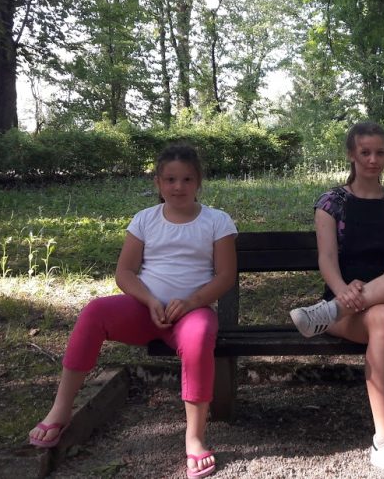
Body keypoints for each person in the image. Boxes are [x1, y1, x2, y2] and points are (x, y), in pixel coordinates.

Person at [28, 144, 237, 479]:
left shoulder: (217, 221)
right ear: (158, 182)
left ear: (199, 181)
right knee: (95, 311)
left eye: (187, 179)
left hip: (192, 313)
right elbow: (124, 272)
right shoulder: (145, 219)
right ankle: (61, 409)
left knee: (199, 337)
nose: (178, 186)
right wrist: (150, 301)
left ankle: (195, 437)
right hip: (144, 310)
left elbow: (226, 275)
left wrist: (191, 302)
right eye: (170, 179)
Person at [289, 122, 384, 477]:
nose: (373, 160)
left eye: (380, 152)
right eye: (365, 153)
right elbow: (327, 259)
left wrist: (367, 290)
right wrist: (343, 290)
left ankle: (329, 312)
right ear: (351, 155)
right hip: (351, 308)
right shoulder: (331, 203)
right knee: (383, 314)